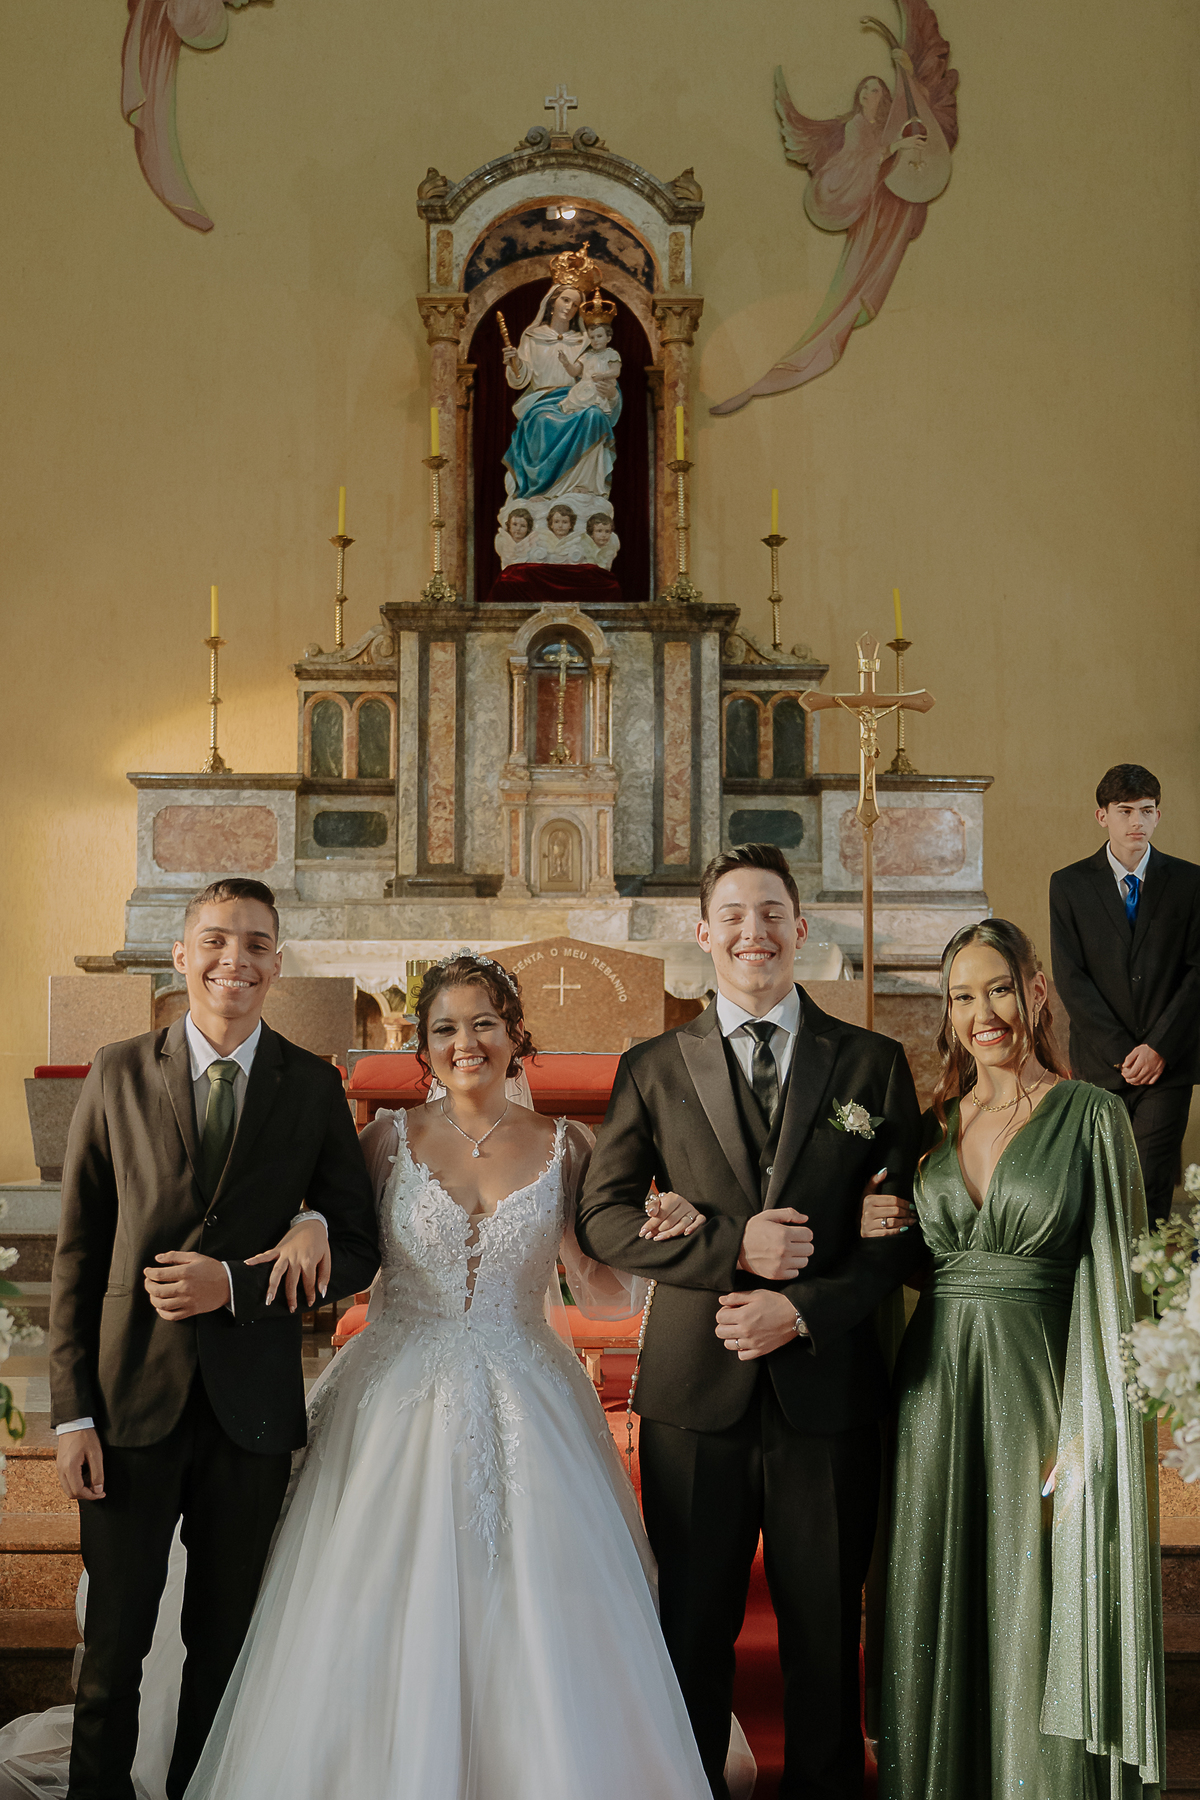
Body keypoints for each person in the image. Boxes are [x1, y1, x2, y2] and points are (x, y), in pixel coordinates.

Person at [183, 952, 732, 1800]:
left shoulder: (569, 1146)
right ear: (423, 1046)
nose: (464, 1042)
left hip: (528, 1389)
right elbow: (337, 1224)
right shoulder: (383, 1140)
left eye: (483, 1024)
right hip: (394, 1391)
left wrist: (665, 1223)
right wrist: (310, 1219)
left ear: (516, 1035)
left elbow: (603, 1280)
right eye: (444, 1028)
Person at [574, 842, 924, 1800]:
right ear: (703, 933)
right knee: (692, 1635)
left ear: (800, 928)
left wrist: (799, 1309)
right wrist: (737, 1250)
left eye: (771, 912)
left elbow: (900, 1236)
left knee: (825, 1637)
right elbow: (601, 1218)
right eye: (732, 914)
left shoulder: (872, 1064)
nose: (752, 932)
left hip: (828, 1391)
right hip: (695, 1394)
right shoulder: (653, 1066)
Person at [49, 877, 380, 1800]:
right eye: (217, 941)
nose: (236, 960)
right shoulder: (118, 1071)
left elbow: (359, 1247)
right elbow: (78, 1254)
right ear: (182, 955)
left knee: (224, 1648)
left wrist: (246, 1275)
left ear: (277, 963)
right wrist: (71, 1415)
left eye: (257, 944)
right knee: (112, 1648)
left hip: (252, 1417)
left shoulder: (311, 1084)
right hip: (127, 1407)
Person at [864, 918, 1164, 1798]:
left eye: (998, 988)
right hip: (932, 1400)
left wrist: (1092, 1430)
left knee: (1034, 1609)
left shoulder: (1093, 1117)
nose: (983, 1013)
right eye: (962, 996)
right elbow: (916, 1263)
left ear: (1035, 991)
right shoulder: (931, 1128)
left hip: (1041, 1397)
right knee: (938, 1606)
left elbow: (1119, 1285)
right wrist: (877, 1226)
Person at [1050, 761, 1200, 1223]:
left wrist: (1158, 1047)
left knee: (1149, 1183)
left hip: (1167, 1063)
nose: (1138, 821)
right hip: (1100, 1063)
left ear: (1158, 815)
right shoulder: (1069, 884)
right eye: (1125, 811)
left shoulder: (1191, 882)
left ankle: (1144, 1271)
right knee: (1101, 1183)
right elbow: (1070, 977)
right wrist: (1121, 1052)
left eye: (1147, 810)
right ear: (1103, 816)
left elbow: (1197, 973)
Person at [501, 274, 622, 502]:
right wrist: (514, 361)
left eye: (575, 304)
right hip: (541, 401)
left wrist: (612, 394)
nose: (569, 307)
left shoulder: (585, 341)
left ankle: (584, 488)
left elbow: (599, 371)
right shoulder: (532, 336)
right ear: (551, 302)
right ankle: (540, 491)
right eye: (565, 300)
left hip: (578, 400)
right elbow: (520, 379)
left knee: (595, 416)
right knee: (542, 420)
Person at [558, 302, 621, 415]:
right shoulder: (587, 355)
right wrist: (566, 363)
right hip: (584, 387)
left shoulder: (611, 354)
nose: (595, 340)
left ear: (608, 338)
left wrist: (602, 375)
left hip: (599, 386)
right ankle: (576, 413)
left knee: (594, 404)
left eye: (599, 336)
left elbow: (615, 371)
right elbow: (574, 372)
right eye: (592, 337)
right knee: (575, 395)